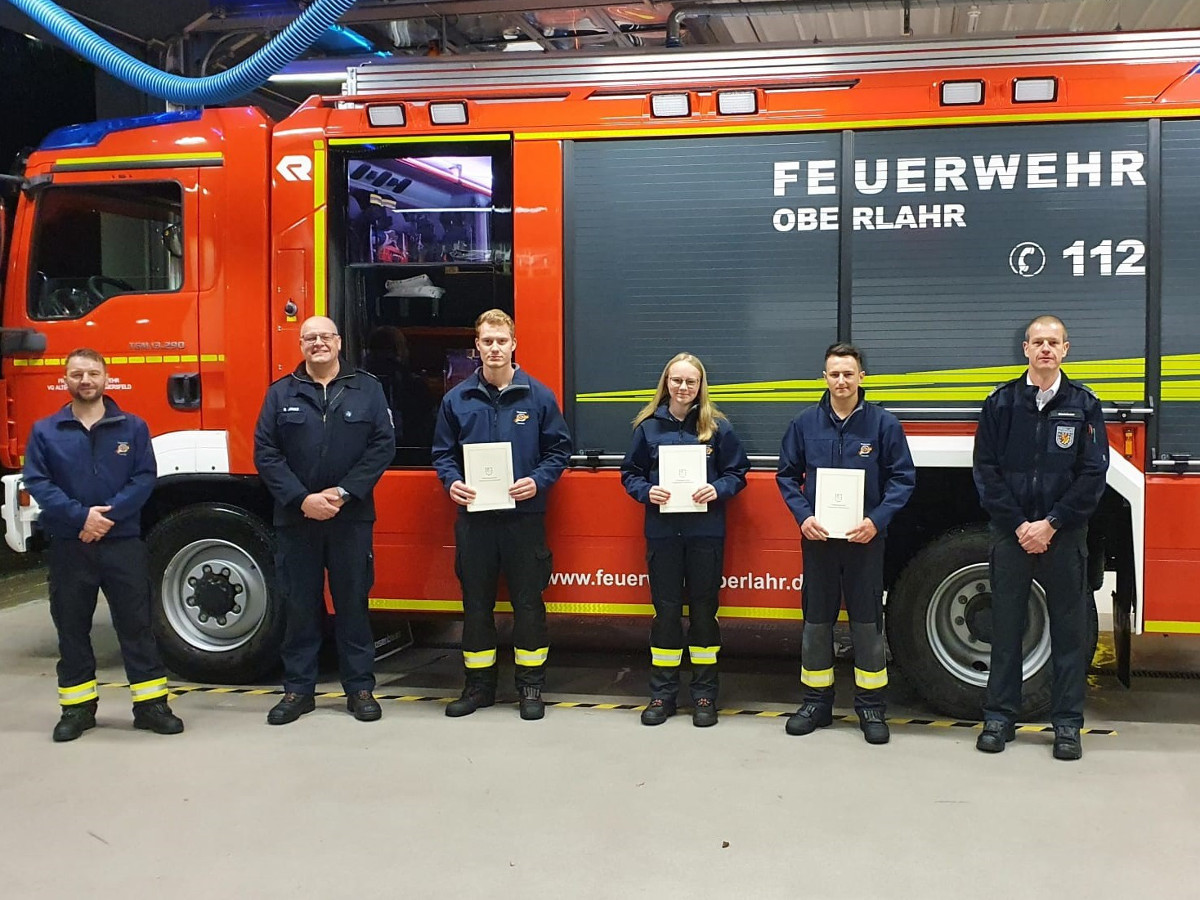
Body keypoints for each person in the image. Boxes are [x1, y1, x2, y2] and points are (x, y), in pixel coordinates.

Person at [23, 348, 184, 742]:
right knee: (72, 628)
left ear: (106, 378)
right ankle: (77, 710)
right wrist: (81, 518)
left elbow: (145, 478)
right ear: (66, 380)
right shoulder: (45, 431)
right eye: (76, 373)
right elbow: (39, 482)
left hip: (122, 544)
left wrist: (105, 519)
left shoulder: (132, 427)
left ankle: (151, 706)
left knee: (137, 625)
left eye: (92, 373)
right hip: (70, 544)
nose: (85, 380)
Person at [973, 315, 1108, 760]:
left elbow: (1093, 474)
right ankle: (999, 718)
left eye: (1053, 342)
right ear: (1025, 349)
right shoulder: (1001, 403)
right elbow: (986, 473)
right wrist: (1019, 525)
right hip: (1012, 534)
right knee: (1006, 626)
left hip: (1063, 535)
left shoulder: (1084, 405)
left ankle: (1067, 724)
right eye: (1038, 342)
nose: (1045, 349)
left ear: (1066, 349)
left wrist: (1051, 523)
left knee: (1069, 631)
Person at [253, 316, 395, 725]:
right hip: (297, 520)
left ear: (338, 342)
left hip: (350, 518)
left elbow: (382, 447)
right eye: (310, 338)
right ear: (301, 345)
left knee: (353, 603)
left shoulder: (367, 389)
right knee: (299, 606)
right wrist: (302, 499)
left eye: (325, 336)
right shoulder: (280, 394)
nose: (318, 343)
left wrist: (342, 492)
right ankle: (298, 691)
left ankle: (360, 688)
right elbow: (265, 452)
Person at [431, 309, 572, 721]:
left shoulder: (539, 397)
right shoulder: (455, 400)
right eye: (486, 341)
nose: (494, 348)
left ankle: (530, 687)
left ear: (514, 344)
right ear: (476, 347)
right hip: (475, 521)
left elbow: (558, 451)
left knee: (529, 604)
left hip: (523, 518)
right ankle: (478, 687)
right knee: (476, 605)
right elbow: (442, 454)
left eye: (501, 341)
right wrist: (452, 481)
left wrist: (538, 480)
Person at [776, 342, 915, 744]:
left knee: (867, 622)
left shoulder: (883, 425)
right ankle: (815, 702)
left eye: (848, 373)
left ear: (861, 377)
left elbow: (903, 479)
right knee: (816, 620)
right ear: (824, 377)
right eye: (834, 373)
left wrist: (877, 520)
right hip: (819, 540)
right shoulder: (804, 424)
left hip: (865, 540)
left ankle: (871, 707)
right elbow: (787, 476)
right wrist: (804, 517)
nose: (841, 380)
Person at [621, 354, 749, 728]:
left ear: (700, 386)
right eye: (676, 381)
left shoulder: (717, 427)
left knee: (705, 614)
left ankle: (705, 694)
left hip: (705, 534)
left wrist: (717, 488)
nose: (682, 388)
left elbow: (738, 472)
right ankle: (662, 694)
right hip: (663, 535)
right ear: (666, 383)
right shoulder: (647, 428)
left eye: (690, 382)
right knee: (666, 614)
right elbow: (629, 474)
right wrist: (647, 491)